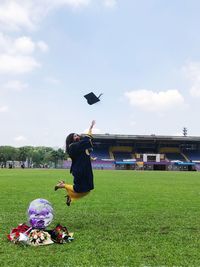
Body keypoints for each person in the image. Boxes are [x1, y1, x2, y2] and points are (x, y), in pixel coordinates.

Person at [54, 120, 96, 206]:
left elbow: (84, 155)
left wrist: (91, 128)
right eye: (74, 136)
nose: (77, 136)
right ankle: (62, 185)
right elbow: (88, 139)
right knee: (80, 189)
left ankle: (70, 196)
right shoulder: (72, 146)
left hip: (86, 170)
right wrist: (89, 131)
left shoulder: (80, 146)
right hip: (79, 170)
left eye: (77, 135)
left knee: (87, 190)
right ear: (71, 139)